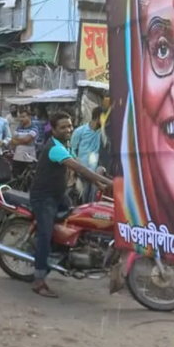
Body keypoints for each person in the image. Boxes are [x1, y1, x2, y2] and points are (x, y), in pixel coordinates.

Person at [29, 112, 112, 298]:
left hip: (59, 195)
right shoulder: (54, 147)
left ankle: (62, 254)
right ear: (54, 129)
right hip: (43, 198)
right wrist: (107, 183)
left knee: (77, 220)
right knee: (45, 234)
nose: (68, 129)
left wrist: (99, 183)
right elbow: (79, 168)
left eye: (70, 126)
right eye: (63, 127)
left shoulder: (65, 145)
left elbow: (79, 165)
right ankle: (39, 280)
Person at [70, 106, 106, 201]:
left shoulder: (103, 133)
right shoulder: (79, 131)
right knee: (82, 197)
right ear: (97, 117)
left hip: (96, 173)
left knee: (94, 199)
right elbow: (72, 149)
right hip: (82, 171)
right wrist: (76, 163)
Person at [10, 108, 38, 179]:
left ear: (29, 117)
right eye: (20, 117)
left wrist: (18, 141)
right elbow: (12, 140)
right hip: (17, 157)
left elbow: (27, 140)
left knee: (26, 179)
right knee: (15, 178)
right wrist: (22, 141)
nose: (21, 119)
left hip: (28, 158)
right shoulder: (19, 128)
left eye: (23, 117)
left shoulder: (34, 128)